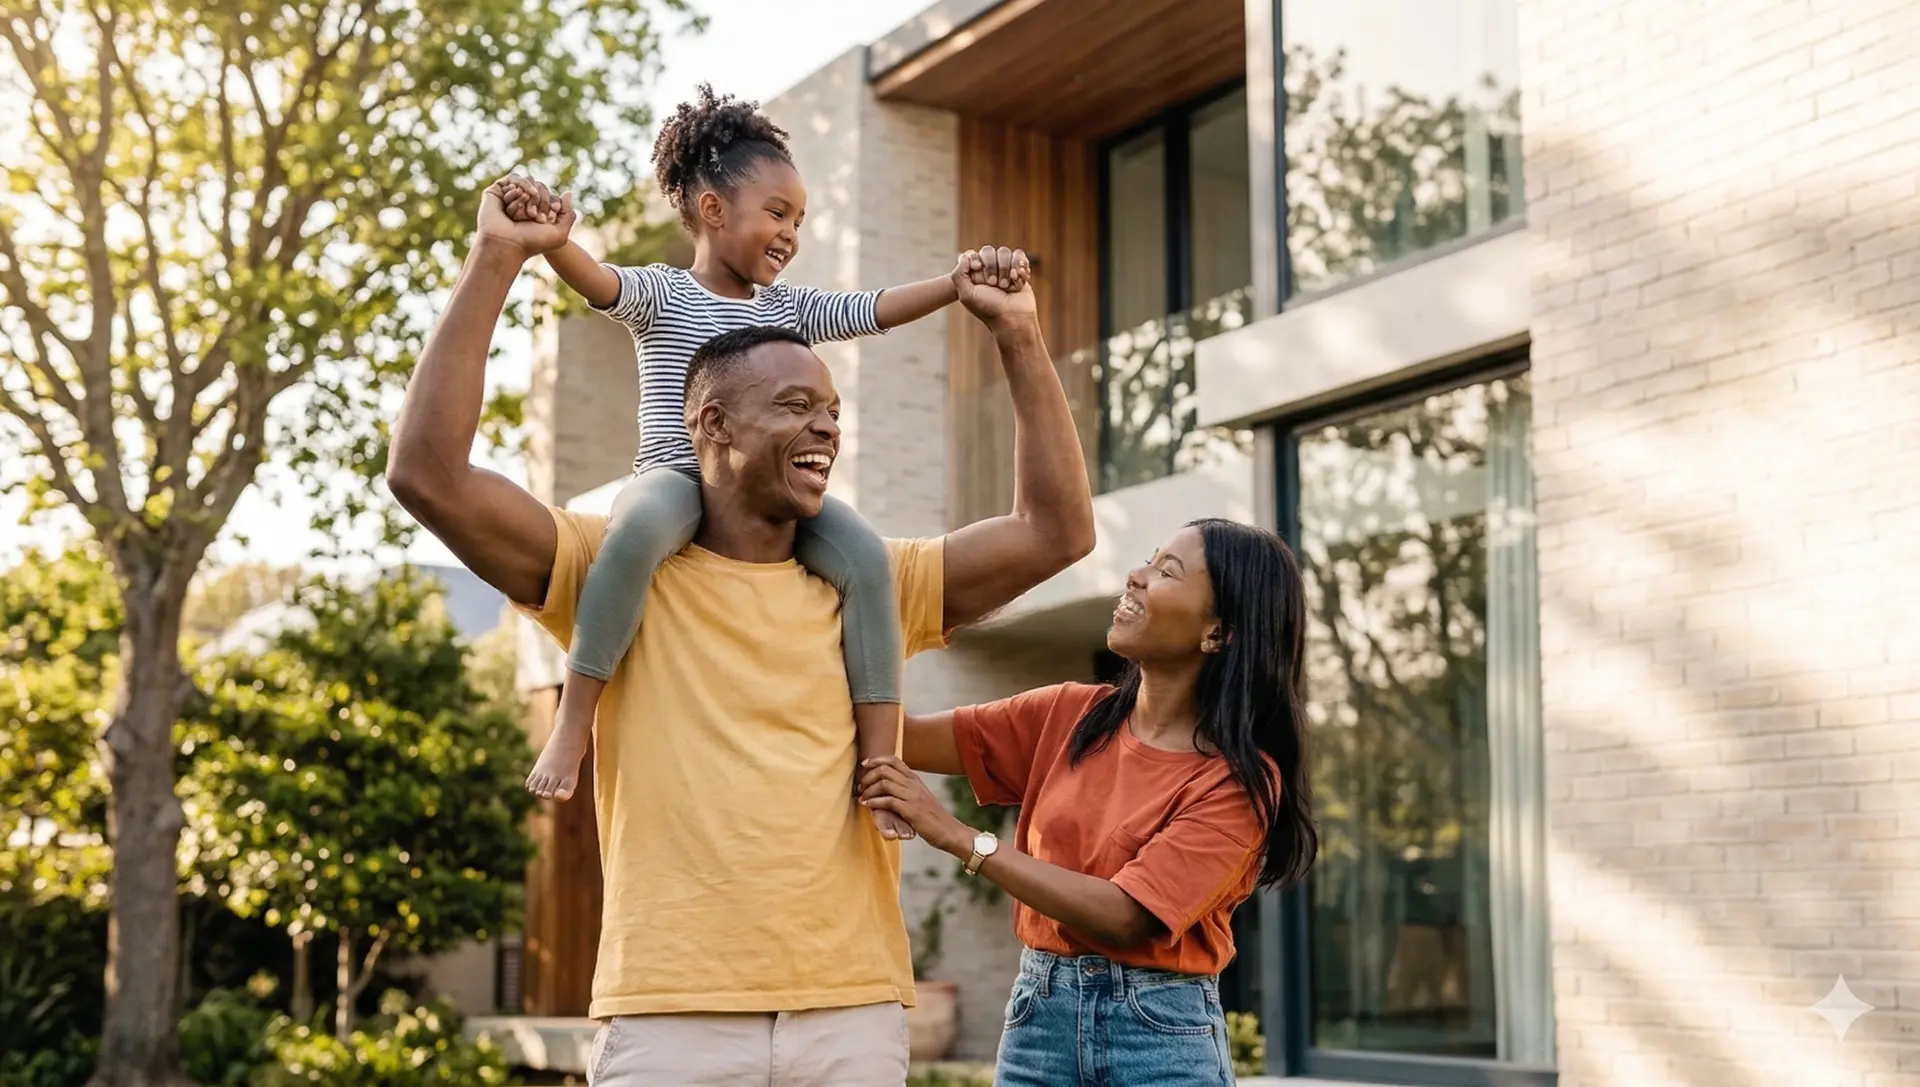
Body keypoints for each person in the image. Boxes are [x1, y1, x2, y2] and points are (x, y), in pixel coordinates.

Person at [386, 176, 1094, 1086]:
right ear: (710, 423)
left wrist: (1018, 333)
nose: (826, 428)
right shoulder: (613, 568)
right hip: (671, 1014)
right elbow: (428, 474)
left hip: (850, 1008)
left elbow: (1056, 531)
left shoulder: (876, 578)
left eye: (832, 409)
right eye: (796, 406)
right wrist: (497, 258)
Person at [497, 85, 1026, 810]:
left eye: (800, 219)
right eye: (778, 213)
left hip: (767, 493)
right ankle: (574, 719)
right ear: (713, 209)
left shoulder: (788, 309)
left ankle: (879, 759)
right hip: (678, 481)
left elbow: (870, 310)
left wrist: (954, 285)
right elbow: (596, 280)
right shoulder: (663, 294)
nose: (791, 233)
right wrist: (551, 239)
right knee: (640, 527)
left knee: (867, 558)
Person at [858, 519, 1319, 1086]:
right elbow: (900, 733)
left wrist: (956, 836)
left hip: (1159, 1039)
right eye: (1149, 559)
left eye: (1166, 571)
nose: (1136, 576)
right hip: (1038, 1019)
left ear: (1219, 633)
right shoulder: (1068, 714)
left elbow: (1125, 915)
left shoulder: (1236, 781)